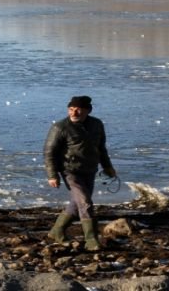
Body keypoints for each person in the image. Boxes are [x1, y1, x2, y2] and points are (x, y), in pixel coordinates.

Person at [43, 95, 116, 251]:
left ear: (88, 111)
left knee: (76, 205)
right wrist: (52, 175)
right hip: (70, 171)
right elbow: (49, 152)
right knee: (85, 202)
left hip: (89, 170)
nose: (74, 113)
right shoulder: (60, 127)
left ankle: (56, 231)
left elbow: (101, 148)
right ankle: (91, 240)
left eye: (78, 110)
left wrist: (108, 167)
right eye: (71, 109)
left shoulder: (97, 124)